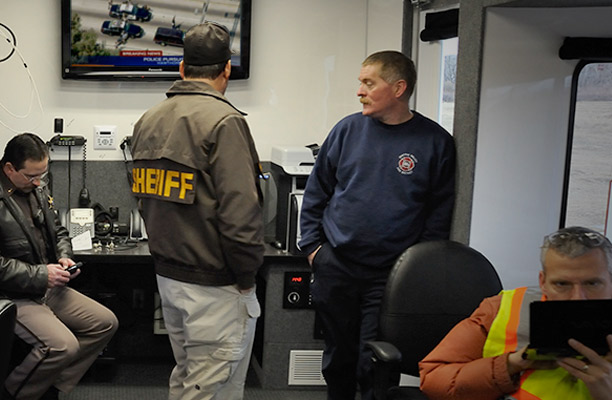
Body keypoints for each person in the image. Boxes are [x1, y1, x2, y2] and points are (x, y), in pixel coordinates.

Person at [298, 50, 456, 400]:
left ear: (398, 88)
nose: (360, 91)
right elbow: (317, 191)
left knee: (377, 361)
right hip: (336, 264)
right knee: (337, 357)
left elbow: (438, 215)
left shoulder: (435, 142)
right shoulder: (347, 130)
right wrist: (312, 248)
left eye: (369, 83)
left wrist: (416, 268)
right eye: (361, 83)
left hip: (390, 275)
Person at [129, 22, 265, 400]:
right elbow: (240, 215)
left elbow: (143, 197)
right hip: (216, 284)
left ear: (182, 68)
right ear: (226, 70)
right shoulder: (224, 122)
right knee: (207, 387)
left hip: (170, 278)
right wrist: (246, 275)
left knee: (191, 376)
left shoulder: (149, 120)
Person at [0, 133, 118, 400]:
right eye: (31, 176)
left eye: (42, 175)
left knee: (105, 323)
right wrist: (41, 274)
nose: (38, 182)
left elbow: (58, 231)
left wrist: (64, 257)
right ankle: (13, 394)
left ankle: (50, 388)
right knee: (62, 346)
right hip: (9, 295)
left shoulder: (36, 189)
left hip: (44, 286)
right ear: (9, 168)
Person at [420, 226, 612, 400]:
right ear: (543, 282)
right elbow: (433, 379)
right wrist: (510, 365)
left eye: (592, 283)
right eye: (562, 284)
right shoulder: (503, 307)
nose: (577, 298)